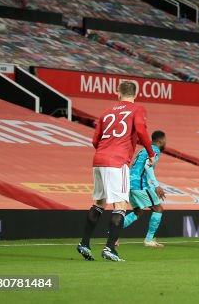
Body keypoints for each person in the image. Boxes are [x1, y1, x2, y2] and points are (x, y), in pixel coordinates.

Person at [77, 80, 156, 262]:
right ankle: (110, 248)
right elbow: (142, 131)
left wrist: (105, 149)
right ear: (135, 95)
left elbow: (95, 139)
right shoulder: (137, 109)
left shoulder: (106, 112)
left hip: (99, 159)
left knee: (99, 202)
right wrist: (150, 153)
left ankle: (84, 243)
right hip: (117, 161)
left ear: (118, 93)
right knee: (120, 205)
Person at [120, 130, 168, 248]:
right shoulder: (154, 150)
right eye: (165, 140)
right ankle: (149, 240)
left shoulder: (143, 150)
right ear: (160, 140)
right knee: (158, 209)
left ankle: (113, 232)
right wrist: (156, 185)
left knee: (138, 211)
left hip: (129, 183)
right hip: (139, 184)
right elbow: (148, 166)